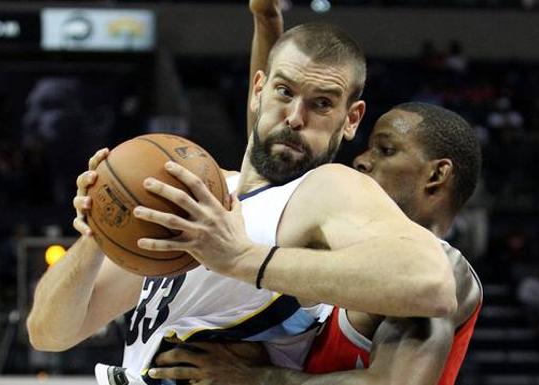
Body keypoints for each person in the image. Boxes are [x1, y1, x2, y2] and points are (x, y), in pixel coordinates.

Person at [27, 19, 455, 385]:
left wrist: (240, 258)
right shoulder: (196, 199)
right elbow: (48, 333)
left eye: (321, 104)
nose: (295, 117)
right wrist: (99, 231)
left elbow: (431, 284)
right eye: (284, 92)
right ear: (258, 90)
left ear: (351, 120)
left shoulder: (324, 189)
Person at [136, 2, 482, 385]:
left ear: (437, 175)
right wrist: (266, 21)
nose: (362, 161)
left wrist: (258, 379)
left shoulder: (440, 268)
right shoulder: (344, 254)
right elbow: (270, 144)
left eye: (385, 150)